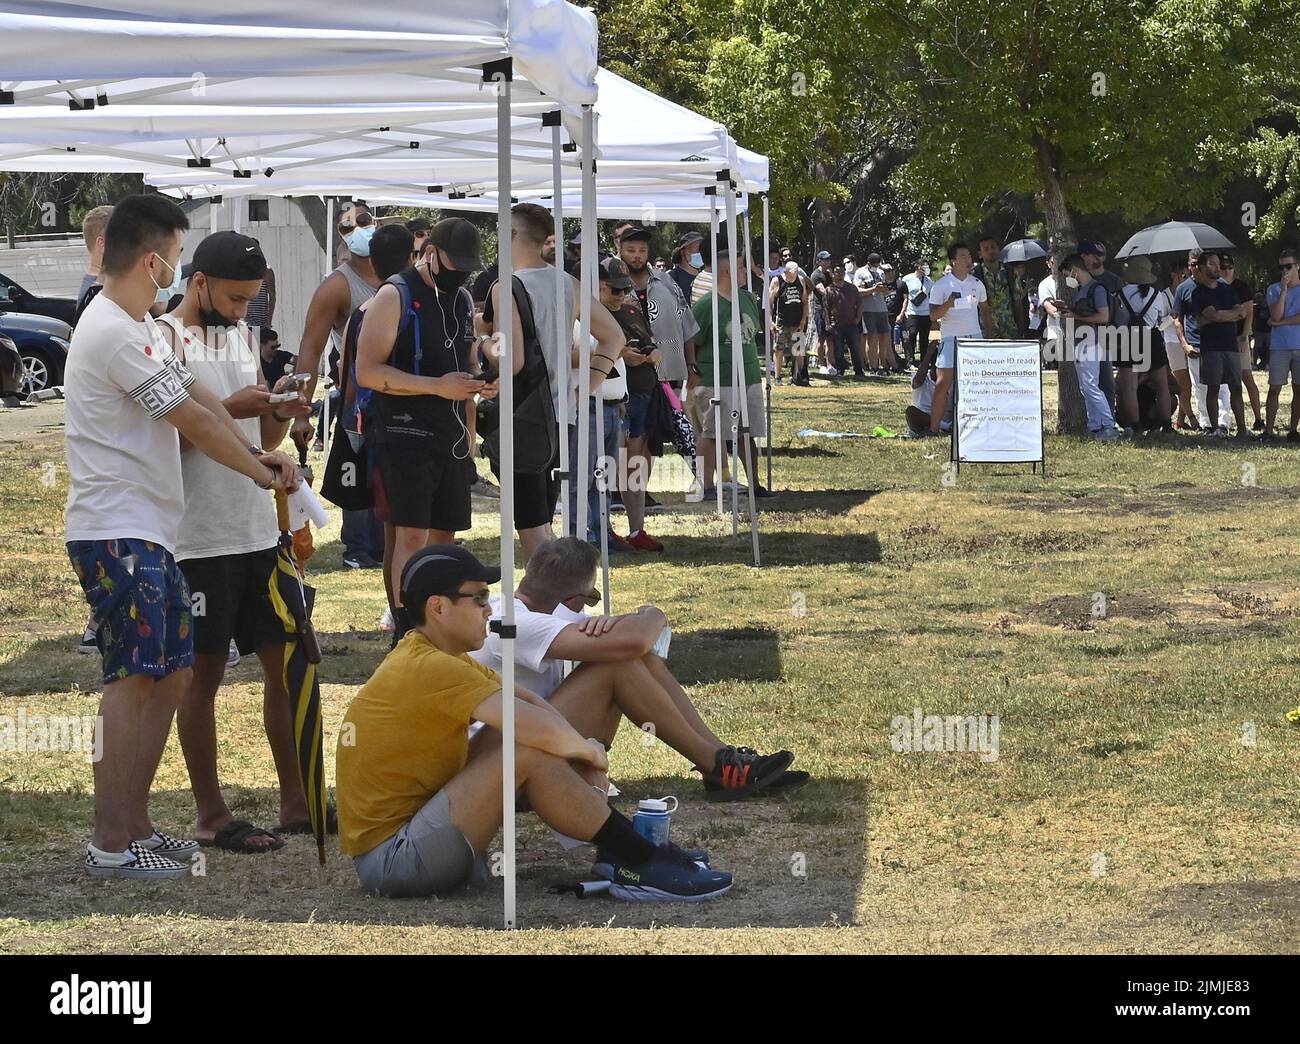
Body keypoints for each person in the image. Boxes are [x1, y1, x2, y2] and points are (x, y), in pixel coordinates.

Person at [65, 194, 300, 879]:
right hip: (116, 531)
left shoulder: (135, 324)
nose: (176, 266)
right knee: (137, 678)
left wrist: (263, 456)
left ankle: (136, 826)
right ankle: (111, 841)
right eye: (176, 251)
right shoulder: (110, 329)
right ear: (153, 259)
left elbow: (204, 403)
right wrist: (259, 473)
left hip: (150, 531)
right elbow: (191, 423)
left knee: (167, 675)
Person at [336, 544, 734, 901]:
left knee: (530, 742)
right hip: (394, 860)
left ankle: (625, 852)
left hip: (420, 836)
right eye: (478, 599)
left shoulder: (438, 655)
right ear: (438, 607)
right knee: (526, 747)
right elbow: (529, 726)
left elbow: (523, 700)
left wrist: (580, 749)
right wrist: (588, 751)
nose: (490, 609)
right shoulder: (430, 665)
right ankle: (639, 859)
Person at [152, 231, 315, 852]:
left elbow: (264, 444)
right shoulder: (162, 339)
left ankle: (297, 801)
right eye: (236, 297)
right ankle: (211, 814)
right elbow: (170, 439)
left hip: (258, 527)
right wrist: (229, 405)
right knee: (204, 675)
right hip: (197, 538)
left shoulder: (241, 336)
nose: (244, 310)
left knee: (289, 661)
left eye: (253, 300)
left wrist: (279, 407)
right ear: (199, 282)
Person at [472, 538, 804, 799]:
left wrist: (640, 629)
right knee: (617, 664)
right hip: (494, 764)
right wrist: (654, 612)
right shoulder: (516, 623)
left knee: (631, 658)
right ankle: (718, 766)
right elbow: (637, 640)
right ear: (574, 600)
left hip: (516, 742)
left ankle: (719, 758)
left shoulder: (532, 610)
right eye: (591, 598)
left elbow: (650, 646)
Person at [356, 218, 491, 641]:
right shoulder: (394, 295)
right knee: (409, 534)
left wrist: (479, 383)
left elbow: (467, 360)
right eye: (455, 265)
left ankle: (436, 624)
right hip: (402, 433)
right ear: (429, 252)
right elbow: (368, 371)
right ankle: (406, 628)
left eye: (468, 268)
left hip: (449, 436)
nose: (461, 275)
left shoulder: (463, 298)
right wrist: (436, 387)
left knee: (443, 537)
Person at [482, 204, 624, 558]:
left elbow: (509, 360)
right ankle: (559, 592)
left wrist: (481, 340)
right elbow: (614, 338)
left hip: (522, 415)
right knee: (542, 515)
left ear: (512, 235)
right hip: (562, 414)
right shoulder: (567, 283)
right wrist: (585, 388)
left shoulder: (507, 287)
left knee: (532, 525)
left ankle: (555, 596)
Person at [296, 204, 384, 569]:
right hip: (357, 398)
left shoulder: (398, 275)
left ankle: (383, 548)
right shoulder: (336, 286)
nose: (359, 230)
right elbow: (310, 350)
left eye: (364, 222)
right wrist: (301, 413)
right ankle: (357, 551)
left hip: (401, 398)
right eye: (348, 227)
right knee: (357, 475)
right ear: (341, 237)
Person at [619, 226, 699, 517]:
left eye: (642, 251)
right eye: (631, 250)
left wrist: (691, 366)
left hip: (665, 374)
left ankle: (641, 491)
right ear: (620, 250)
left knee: (651, 438)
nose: (637, 256)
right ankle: (622, 491)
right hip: (624, 378)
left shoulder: (666, 284)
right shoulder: (609, 285)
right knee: (627, 438)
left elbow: (687, 326)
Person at [692, 235, 773, 498]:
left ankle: (755, 485)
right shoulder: (705, 305)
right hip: (716, 378)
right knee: (712, 432)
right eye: (740, 267)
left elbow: (752, 335)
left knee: (747, 433)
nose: (745, 272)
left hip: (748, 376)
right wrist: (693, 372)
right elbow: (691, 341)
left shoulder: (748, 299)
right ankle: (706, 486)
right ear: (727, 271)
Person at [600, 256, 665, 552]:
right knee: (610, 464)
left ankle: (637, 529)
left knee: (635, 465)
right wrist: (622, 355)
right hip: (617, 398)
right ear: (599, 286)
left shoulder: (630, 308)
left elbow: (651, 343)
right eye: (614, 290)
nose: (620, 296)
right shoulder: (593, 314)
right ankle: (604, 529)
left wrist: (651, 354)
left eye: (624, 289)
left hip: (644, 394)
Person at [925, 242, 990, 437]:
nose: (968, 260)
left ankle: (972, 428)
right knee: (943, 383)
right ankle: (934, 429)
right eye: (963, 256)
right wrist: (949, 304)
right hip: (951, 339)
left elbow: (985, 311)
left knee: (975, 385)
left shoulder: (977, 284)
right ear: (953, 261)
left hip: (974, 339)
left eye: (969, 256)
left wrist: (990, 338)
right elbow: (933, 316)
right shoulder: (941, 285)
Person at [1056, 253, 1120, 440]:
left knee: (1091, 384)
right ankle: (1095, 426)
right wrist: (1068, 309)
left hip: (1092, 342)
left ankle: (1108, 425)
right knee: (1086, 387)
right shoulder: (1083, 290)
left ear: (1075, 271)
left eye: (1067, 274)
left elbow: (1103, 317)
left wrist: (1075, 316)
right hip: (1082, 342)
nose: (1067, 279)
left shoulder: (1096, 289)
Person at [1187, 251, 1249, 437]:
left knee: (1236, 387)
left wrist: (1220, 316)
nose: (1217, 267)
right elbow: (1209, 315)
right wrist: (1229, 315)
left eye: (1218, 264)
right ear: (1202, 267)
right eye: (1212, 264)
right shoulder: (1198, 292)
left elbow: (1242, 312)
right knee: (1212, 388)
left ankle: (1242, 429)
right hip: (1211, 347)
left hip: (1230, 345)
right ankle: (1215, 429)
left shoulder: (1226, 289)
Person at [1172, 247, 1231, 432]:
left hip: (1219, 343)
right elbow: (1177, 319)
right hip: (1196, 345)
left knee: (1222, 386)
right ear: (1189, 266)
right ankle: (1206, 423)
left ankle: (1223, 422)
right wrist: (1184, 344)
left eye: (1200, 263)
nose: (1196, 267)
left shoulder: (1220, 285)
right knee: (1200, 387)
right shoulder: (1183, 289)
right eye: (1193, 264)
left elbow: (1233, 312)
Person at [1118, 257, 1173, 433]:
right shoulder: (1157, 295)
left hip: (1129, 338)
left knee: (1130, 387)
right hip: (1152, 337)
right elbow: (1161, 318)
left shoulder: (1120, 293)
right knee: (1162, 385)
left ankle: (1135, 425)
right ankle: (1165, 423)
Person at [1220, 255, 1262, 431]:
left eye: (1230, 267)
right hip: (1221, 339)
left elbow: (1248, 314)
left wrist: (1244, 336)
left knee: (1247, 378)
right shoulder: (1215, 287)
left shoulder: (1241, 287)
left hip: (1239, 338)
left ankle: (1259, 418)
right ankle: (1233, 423)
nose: (1226, 270)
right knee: (1229, 383)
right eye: (1223, 267)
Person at [1264, 247, 1300, 439]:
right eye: (1282, 267)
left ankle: (1293, 430)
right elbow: (1275, 314)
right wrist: (1284, 292)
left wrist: (1281, 323)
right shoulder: (1274, 289)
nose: (1285, 271)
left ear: (1297, 266)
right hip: (1280, 347)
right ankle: (1268, 430)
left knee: (1298, 389)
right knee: (1274, 389)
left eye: (1288, 266)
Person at [769, 261, 808, 386]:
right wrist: (770, 321)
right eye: (791, 274)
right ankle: (777, 376)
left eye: (795, 274)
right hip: (781, 321)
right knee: (779, 349)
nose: (793, 277)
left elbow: (805, 302)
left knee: (799, 349)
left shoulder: (800, 281)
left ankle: (799, 376)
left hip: (796, 321)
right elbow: (770, 303)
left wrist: (803, 320)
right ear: (785, 272)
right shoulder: (777, 281)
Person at [973, 235, 1020, 340]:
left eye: (993, 247)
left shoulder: (1011, 273)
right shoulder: (974, 275)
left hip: (1010, 332)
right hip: (984, 333)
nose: (990, 251)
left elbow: (1018, 303)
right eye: (986, 249)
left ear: (998, 249)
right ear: (980, 254)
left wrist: (1021, 330)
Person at [855, 252, 891, 373]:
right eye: (874, 264)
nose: (876, 267)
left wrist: (884, 289)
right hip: (868, 309)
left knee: (884, 336)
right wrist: (873, 289)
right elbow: (858, 291)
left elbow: (885, 291)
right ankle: (873, 366)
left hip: (882, 308)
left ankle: (883, 365)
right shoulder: (860, 272)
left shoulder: (880, 272)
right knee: (872, 337)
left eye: (878, 264)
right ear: (868, 263)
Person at [827, 265, 866, 378]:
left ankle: (858, 370)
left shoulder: (852, 288)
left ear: (844, 273)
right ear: (832, 274)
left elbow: (859, 304)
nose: (839, 274)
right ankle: (840, 370)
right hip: (836, 324)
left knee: (855, 348)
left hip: (851, 324)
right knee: (838, 349)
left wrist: (858, 318)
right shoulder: (829, 290)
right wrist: (828, 323)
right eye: (836, 272)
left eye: (841, 272)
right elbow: (825, 308)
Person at [900, 260, 933, 368]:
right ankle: (910, 361)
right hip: (911, 312)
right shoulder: (907, 279)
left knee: (924, 338)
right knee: (911, 335)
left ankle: (924, 362)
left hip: (926, 313)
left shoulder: (929, 281)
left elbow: (932, 297)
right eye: (924, 266)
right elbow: (902, 295)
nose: (926, 268)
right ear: (918, 267)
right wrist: (902, 311)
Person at [809, 250, 835, 373]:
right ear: (819, 261)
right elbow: (823, 291)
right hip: (820, 310)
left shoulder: (829, 274)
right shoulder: (816, 275)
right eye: (825, 259)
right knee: (822, 338)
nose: (828, 261)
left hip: (831, 310)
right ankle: (821, 364)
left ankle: (830, 365)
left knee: (830, 339)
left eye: (829, 259)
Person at [669, 231, 703, 301]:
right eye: (697, 248)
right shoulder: (672, 278)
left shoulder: (705, 276)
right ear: (683, 252)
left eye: (702, 249)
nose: (701, 252)